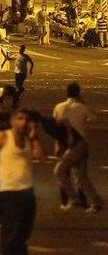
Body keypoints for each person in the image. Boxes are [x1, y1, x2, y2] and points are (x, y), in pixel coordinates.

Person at [0, 108, 44, 255]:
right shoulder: (3, 137)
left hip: (27, 193)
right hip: (9, 193)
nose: (23, 122)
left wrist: (35, 136)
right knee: (11, 235)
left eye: (26, 119)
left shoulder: (29, 139)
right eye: (20, 118)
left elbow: (41, 157)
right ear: (13, 121)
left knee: (24, 233)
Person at [52, 83, 103, 213]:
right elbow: (94, 118)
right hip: (81, 145)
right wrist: (84, 105)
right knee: (81, 176)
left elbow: (56, 126)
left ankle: (74, 199)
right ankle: (95, 201)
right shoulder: (81, 107)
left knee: (60, 171)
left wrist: (57, 146)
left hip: (68, 145)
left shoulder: (59, 107)